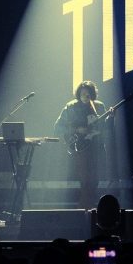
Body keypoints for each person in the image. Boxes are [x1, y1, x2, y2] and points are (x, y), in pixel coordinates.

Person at [55, 80, 113, 210]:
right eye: (83, 94)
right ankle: (85, 208)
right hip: (80, 149)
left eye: (88, 94)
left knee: (95, 180)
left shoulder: (99, 106)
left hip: (96, 148)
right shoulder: (71, 107)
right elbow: (58, 127)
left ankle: (89, 208)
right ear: (78, 94)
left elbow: (106, 128)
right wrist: (77, 130)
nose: (86, 97)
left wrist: (110, 118)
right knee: (85, 180)